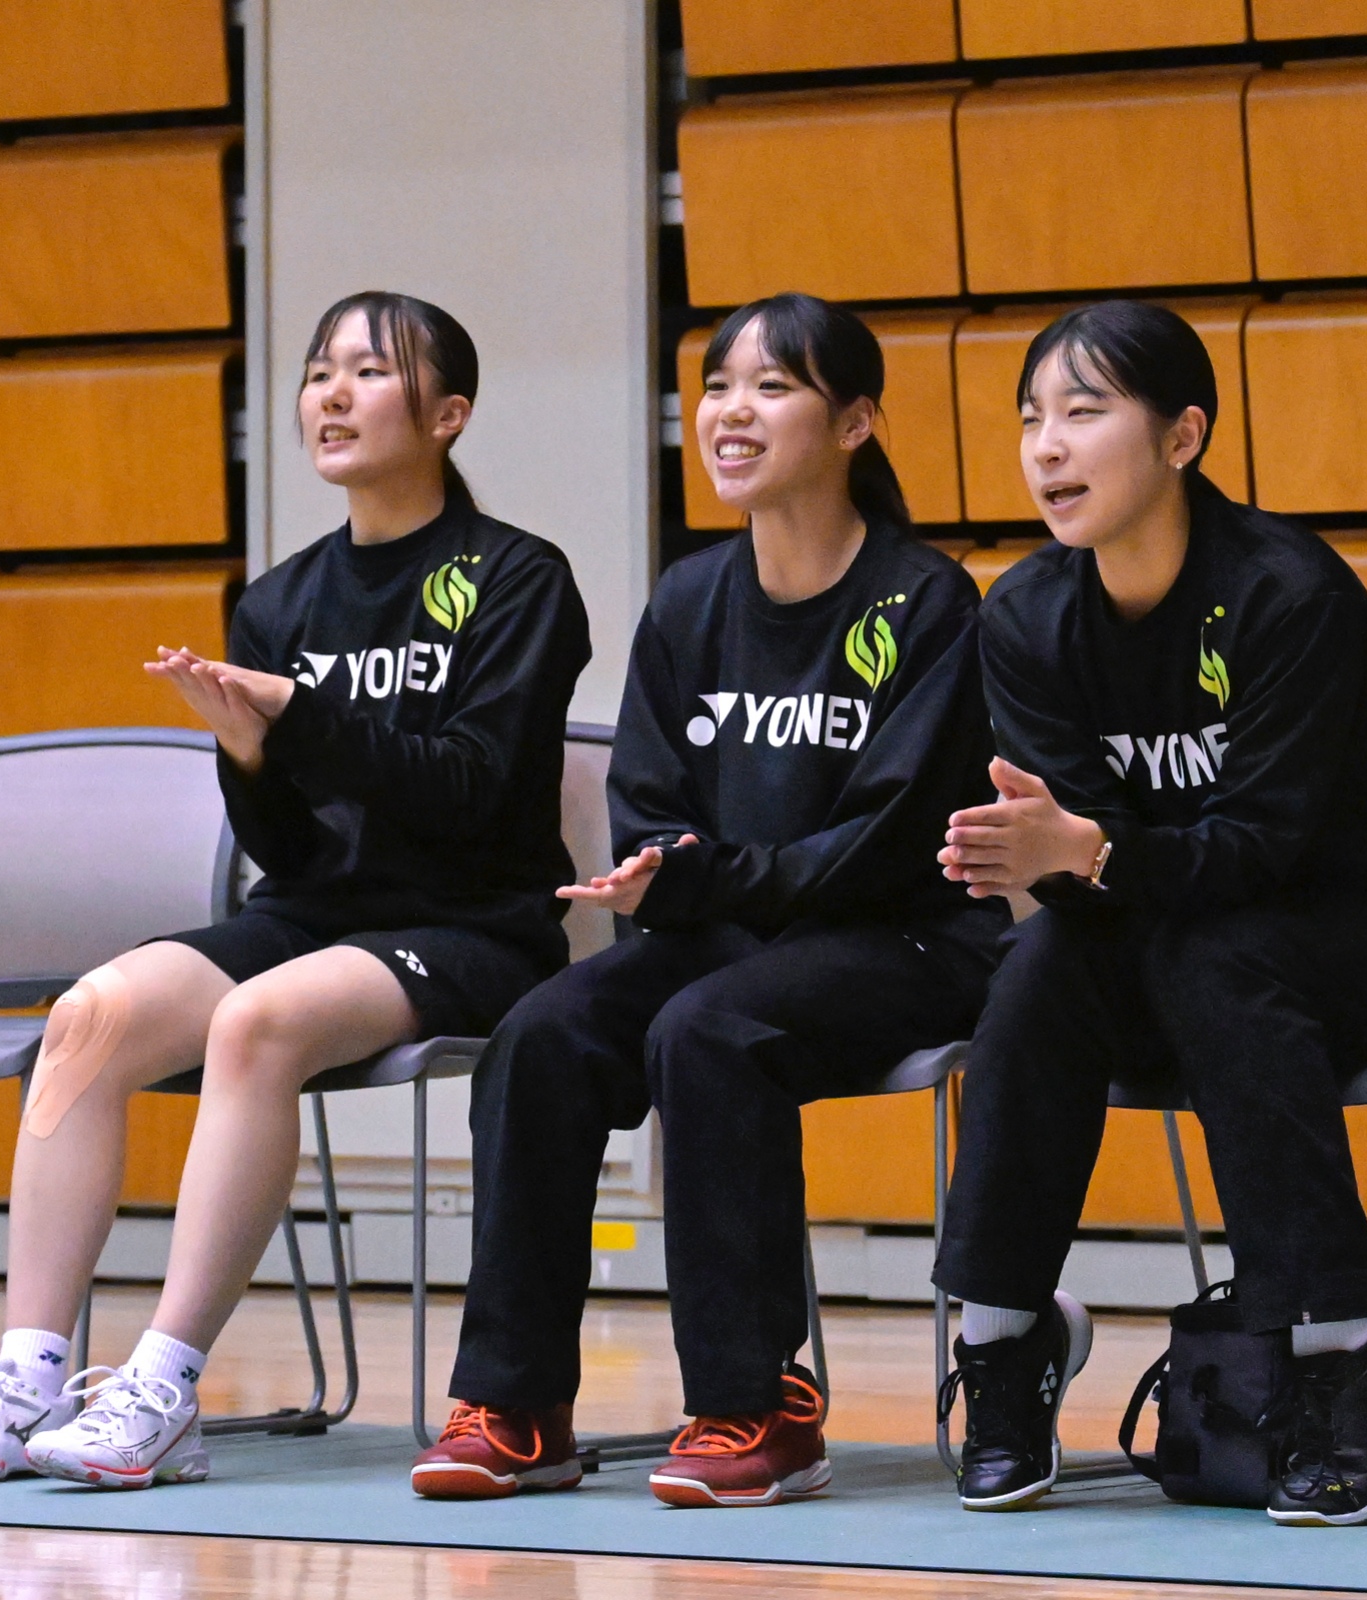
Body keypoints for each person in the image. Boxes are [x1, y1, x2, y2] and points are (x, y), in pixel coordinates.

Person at [0, 291, 591, 1488]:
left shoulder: (517, 578)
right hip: (317, 914)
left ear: (448, 415)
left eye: (367, 371)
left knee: (254, 1021)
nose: (330, 394)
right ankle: (25, 1373)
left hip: (472, 924)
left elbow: (473, 792)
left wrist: (300, 718)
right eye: (318, 372)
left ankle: (161, 1385)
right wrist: (253, 759)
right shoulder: (279, 600)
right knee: (88, 1016)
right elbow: (290, 849)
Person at [930, 301, 1367, 1524]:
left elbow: (1261, 847)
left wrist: (1088, 852)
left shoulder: (1286, 595)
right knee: (1042, 964)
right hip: (1203, 936)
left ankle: (1337, 1346)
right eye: (1030, 418)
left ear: (1183, 437)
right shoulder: (1024, 617)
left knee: (1221, 956)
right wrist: (1051, 861)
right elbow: (1094, 863)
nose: (1046, 446)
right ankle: (1003, 1336)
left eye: (1083, 412)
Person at [409, 293, 1009, 1509]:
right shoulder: (689, 599)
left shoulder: (925, 601)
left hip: (903, 936)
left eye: (771, 387)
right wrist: (670, 875)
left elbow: (886, 838)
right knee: (542, 1033)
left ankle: (756, 1403)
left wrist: (705, 878)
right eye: (718, 386)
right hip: (729, 934)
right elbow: (650, 807)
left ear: (854, 423)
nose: (731, 412)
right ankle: (516, 1404)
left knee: (709, 1029)